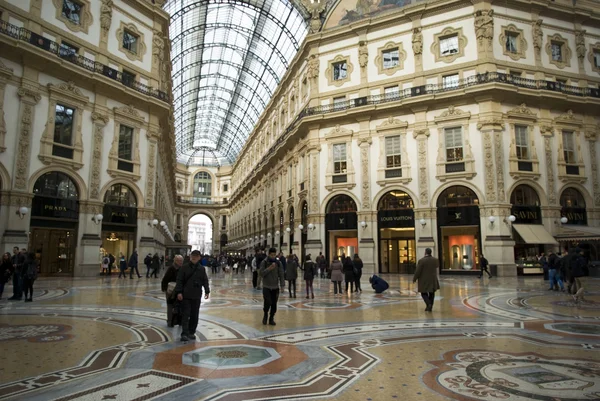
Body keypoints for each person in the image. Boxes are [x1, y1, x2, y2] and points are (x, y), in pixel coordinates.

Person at [175, 250, 210, 341]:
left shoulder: (201, 269)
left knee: (195, 315)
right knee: (185, 315)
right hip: (186, 295)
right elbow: (179, 280)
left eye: (196, 256)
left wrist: (207, 291)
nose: (194, 257)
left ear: (199, 257)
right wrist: (179, 292)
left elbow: (205, 280)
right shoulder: (184, 267)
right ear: (190, 257)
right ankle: (184, 333)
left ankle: (191, 332)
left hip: (196, 295)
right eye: (192, 255)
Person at [258, 248, 285, 325]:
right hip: (266, 286)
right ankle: (265, 314)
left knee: (274, 304)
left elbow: (281, 274)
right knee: (267, 302)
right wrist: (269, 268)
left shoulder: (278, 263)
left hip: (275, 287)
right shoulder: (264, 262)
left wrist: (282, 285)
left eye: (274, 255)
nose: (273, 256)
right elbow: (261, 273)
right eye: (271, 255)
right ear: (269, 254)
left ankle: (271, 318)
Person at [413, 248, 440, 312]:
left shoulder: (421, 261)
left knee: (423, 292)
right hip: (433, 279)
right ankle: (430, 306)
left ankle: (428, 304)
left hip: (424, 279)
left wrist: (415, 278)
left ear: (425, 252)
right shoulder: (435, 260)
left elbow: (418, 271)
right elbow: (437, 266)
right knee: (432, 293)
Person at [162, 254, 183, 327]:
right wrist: (165, 289)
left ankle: (179, 320)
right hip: (170, 290)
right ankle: (170, 321)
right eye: (179, 260)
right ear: (175, 261)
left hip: (179, 290)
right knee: (170, 306)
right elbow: (165, 279)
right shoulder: (171, 268)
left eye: (181, 260)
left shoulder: (182, 268)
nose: (180, 262)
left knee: (180, 305)